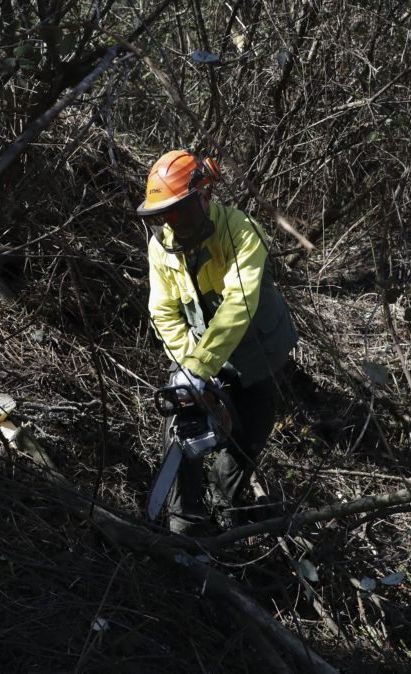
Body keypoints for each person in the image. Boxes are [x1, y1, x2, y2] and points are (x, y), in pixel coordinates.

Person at [138, 150, 298, 534]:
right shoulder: (162, 248)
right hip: (204, 354)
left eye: (181, 211)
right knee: (183, 421)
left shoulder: (241, 232)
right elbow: (163, 312)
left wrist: (198, 366)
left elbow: (238, 304)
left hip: (260, 351)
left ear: (205, 196)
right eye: (166, 215)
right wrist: (189, 371)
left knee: (246, 437)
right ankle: (185, 522)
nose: (173, 222)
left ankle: (228, 506)